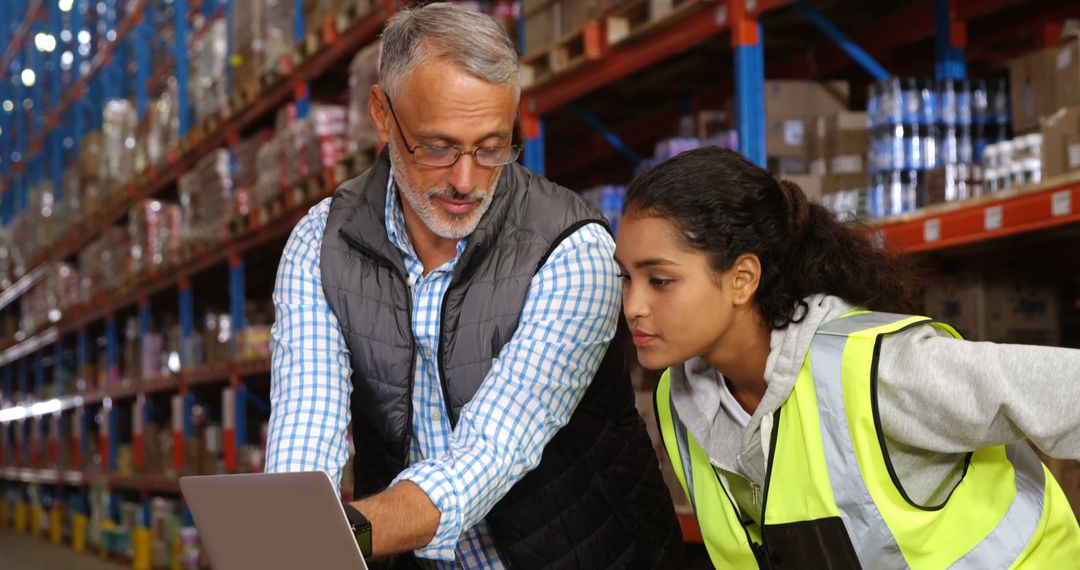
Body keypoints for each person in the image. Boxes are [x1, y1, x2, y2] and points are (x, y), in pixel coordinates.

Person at [264, 4, 681, 568]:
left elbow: (489, 453)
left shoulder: (571, 248)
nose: (465, 180)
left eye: (491, 148)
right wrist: (286, 531)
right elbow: (305, 423)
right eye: (437, 147)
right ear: (382, 116)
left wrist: (339, 537)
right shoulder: (322, 244)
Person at [614, 146, 1080, 568]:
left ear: (742, 278)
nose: (633, 306)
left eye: (659, 280)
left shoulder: (876, 371)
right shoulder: (681, 400)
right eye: (626, 278)